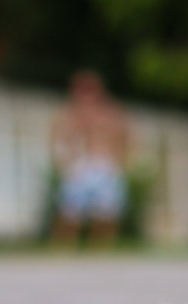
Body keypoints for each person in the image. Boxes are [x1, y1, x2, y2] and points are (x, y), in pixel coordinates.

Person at [50, 71, 132, 246]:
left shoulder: (110, 114)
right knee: (70, 212)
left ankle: (100, 250)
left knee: (106, 213)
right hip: (80, 166)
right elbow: (60, 139)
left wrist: (120, 162)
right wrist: (65, 161)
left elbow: (124, 137)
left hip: (105, 165)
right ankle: (64, 247)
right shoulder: (71, 115)